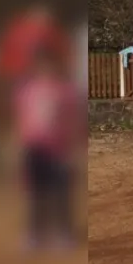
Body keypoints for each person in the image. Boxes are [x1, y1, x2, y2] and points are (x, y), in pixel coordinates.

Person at [15, 49, 81, 250]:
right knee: (36, 193)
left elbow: (74, 120)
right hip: (34, 148)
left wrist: (75, 150)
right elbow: (21, 120)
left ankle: (64, 233)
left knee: (61, 193)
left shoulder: (65, 91)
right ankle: (35, 234)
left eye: (50, 64)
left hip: (59, 149)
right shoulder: (27, 90)